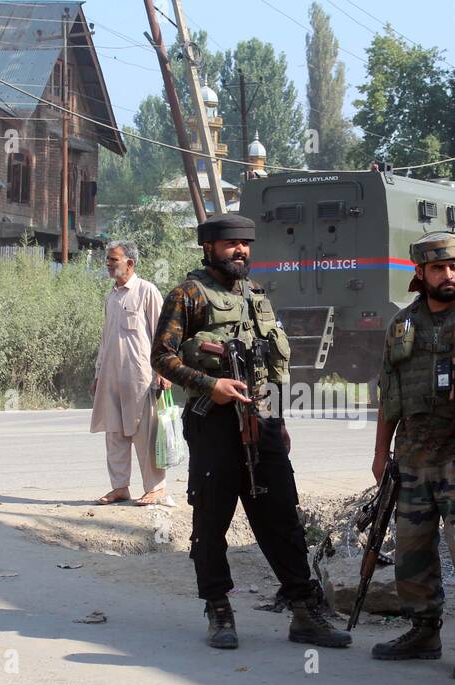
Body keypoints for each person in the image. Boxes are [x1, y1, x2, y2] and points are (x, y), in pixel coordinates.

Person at [150, 213, 351, 651]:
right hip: (213, 423)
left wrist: (278, 421)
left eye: (245, 245)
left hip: (261, 422)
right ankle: (219, 608)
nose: (240, 252)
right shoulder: (187, 294)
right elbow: (162, 357)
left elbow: (272, 365)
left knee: (281, 515)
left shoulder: (256, 295)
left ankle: (303, 609)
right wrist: (210, 385)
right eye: (230, 245)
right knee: (211, 519)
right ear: (209, 248)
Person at [371, 231, 455, 679]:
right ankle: (423, 630)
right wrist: (379, 452)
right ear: (420, 273)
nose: (450, 276)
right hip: (412, 458)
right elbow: (389, 393)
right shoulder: (402, 324)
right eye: (440, 269)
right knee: (411, 548)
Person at [90, 240, 171, 506]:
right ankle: (119, 487)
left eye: (113, 259)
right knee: (114, 432)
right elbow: (105, 339)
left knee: (144, 433)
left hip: (140, 376)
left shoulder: (147, 291)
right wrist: (98, 373)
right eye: (108, 259)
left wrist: (164, 371)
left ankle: (156, 488)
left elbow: (164, 335)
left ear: (130, 263)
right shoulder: (111, 297)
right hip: (111, 376)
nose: (108, 264)